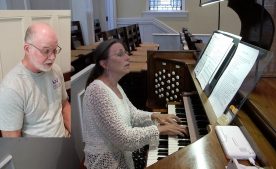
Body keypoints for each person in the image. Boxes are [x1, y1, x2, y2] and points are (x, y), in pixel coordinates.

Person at [82, 39, 188, 169]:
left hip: (123, 155)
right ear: (104, 63)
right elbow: (124, 139)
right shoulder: (97, 91)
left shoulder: (114, 85)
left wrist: (155, 116)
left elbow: (132, 114)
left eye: (126, 53)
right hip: (107, 163)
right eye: (120, 54)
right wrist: (159, 129)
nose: (127, 57)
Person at [0, 23, 71, 137]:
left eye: (54, 50)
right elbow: (12, 140)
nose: (52, 57)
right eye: (46, 51)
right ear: (27, 49)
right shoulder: (11, 88)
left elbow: (65, 106)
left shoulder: (56, 70)